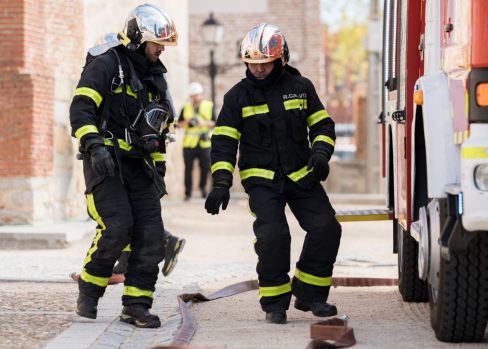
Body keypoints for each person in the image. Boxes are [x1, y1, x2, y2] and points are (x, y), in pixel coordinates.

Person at [205, 23, 342, 325]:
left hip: (302, 174)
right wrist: (221, 183)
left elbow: (322, 125)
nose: (259, 70)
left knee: (326, 228)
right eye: (253, 64)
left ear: (281, 59)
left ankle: (311, 295)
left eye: (265, 63)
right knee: (273, 236)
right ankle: (275, 303)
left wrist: (320, 154)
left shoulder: (301, 87)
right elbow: (224, 142)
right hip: (262, 180)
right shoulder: (236, 97)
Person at [69, 4, 178, 328]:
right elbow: (81, 108)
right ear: (136, 39)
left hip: (138, 166)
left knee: (152, 235)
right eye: (157, 44)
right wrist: (94, 145)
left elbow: (160, 131)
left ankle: (136, 306)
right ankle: (89, 289)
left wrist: (158, 169)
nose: (160, 51)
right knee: (117, 227)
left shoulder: (156, 77)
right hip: (105, 164)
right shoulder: (106, 65)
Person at [177, 82, 215, 200]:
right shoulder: (186, 108)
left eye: (197, 95)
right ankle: (188, 193)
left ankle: (203, 188)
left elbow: (215, 122)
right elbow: (178, 124)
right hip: (189, 144)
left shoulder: (209, 106)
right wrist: (187, 122)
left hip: (204, 143)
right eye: (193, 95)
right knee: (188, 169)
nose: (195, 97)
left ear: (201, 94)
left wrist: (203, 123)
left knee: (205, 168)